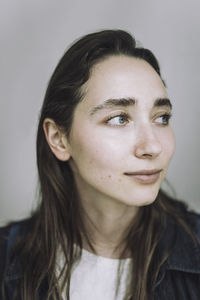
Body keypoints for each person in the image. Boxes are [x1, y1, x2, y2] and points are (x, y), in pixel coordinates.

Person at [0, 29, 200, 300]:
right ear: (59, 139)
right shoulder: (7, 263)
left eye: (161, 117)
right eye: (119, 119)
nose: (153, 147)